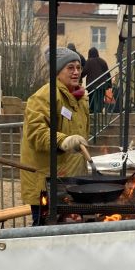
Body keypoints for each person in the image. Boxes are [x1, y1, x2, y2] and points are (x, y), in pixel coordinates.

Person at [20, 46, 90, 224]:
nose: (76, 72)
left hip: (70, 180)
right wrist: (64, 140)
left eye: (79, 67)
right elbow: (36, 133)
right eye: (70, 68)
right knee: (45, 230)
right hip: (47, 182)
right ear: (58, 71)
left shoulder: (80, 98)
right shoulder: (44, 96)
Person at [82, 47, 110, 113]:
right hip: (102, 85)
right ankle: (99, 112)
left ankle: (92, 112)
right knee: (100, 100)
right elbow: (107, 73)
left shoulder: (88, 61)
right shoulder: (103, 61)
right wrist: (109, 84)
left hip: (92, 85)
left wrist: (79, 76)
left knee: (92, 100)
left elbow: (84, 72)